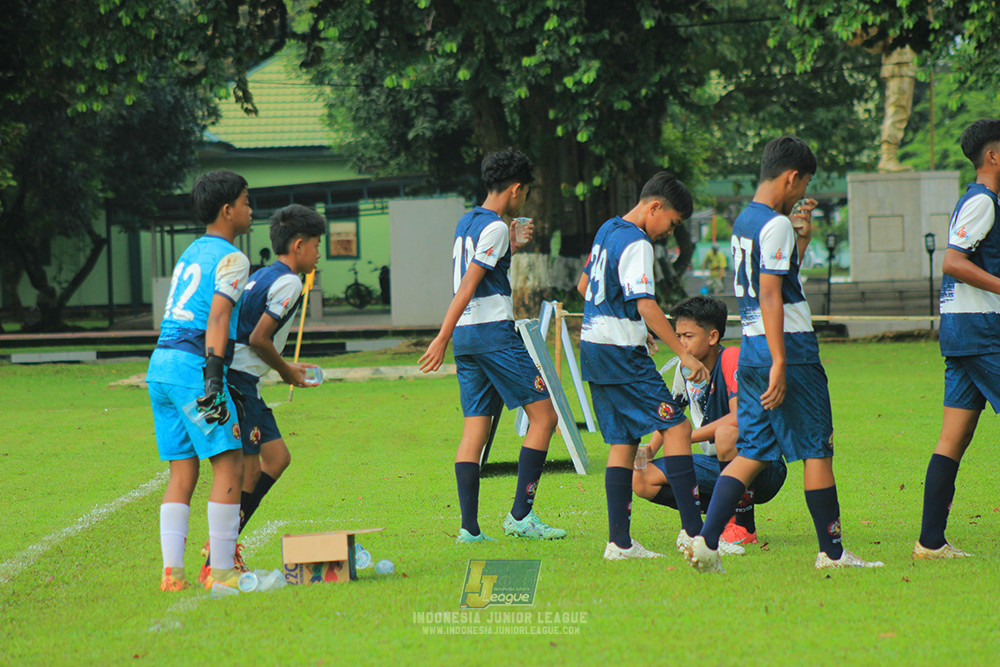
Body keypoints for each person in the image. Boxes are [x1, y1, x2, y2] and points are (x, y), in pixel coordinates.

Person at [685, 136, 883, 573]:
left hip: (753, 348)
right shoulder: (773, 224)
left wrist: (801, 235)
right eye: (804, 182)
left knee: (752, 449)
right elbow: (772, 295)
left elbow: (776, 281)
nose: (800, 192)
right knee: (817, 449)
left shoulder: (746, 221)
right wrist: (780, 361)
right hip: (786, 350)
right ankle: (831, 554)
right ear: (792, 177)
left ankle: (707, 542)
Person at [418, 148, 565, 543]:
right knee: (545, 418)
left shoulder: (467, 221)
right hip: (492, 334)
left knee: (474, 431)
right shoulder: (496, 226)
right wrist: (440, 335)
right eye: (526, 192)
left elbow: (479, 273)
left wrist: (510, 246)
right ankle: (520, 516)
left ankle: (469, 529)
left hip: (468, 339)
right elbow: (468, 284)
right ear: (516, 189)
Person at [576, 171, 709, 561]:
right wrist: (682, 354)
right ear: (655, 207)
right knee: (678, 427)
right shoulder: (637, 242)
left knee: (623, 441)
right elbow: (646, 303)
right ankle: (694, 534)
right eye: (672, 222)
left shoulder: (608, 230)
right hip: (620, 354)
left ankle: (619, 543)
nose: (669, 231)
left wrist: (633, 325)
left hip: (594, 349)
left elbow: (586, 288)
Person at [198, 204, 326, 582]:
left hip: (244, 381)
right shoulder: (288, 282)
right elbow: (258, 337)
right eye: (317, 245)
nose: (319, 254)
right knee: (249, 470)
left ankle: (224, 544)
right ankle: (220, 552)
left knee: (277, 457)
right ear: (299, 245)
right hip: (238, 379)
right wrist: (287, 371)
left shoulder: (262, 274)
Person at [147, 170, 253, 591]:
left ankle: (172, 574)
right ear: (228, 210)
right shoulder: (233, 258)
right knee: (230, 462)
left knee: (181, 471)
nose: (250, 209)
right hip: (194, 369)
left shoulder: (191, 251)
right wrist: (213, 377)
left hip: (161, 367)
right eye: (246, 202)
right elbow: (218, 317)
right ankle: (223, 571)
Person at [632, 296, 787, 547]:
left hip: (760, 465)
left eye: (688, 336)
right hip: (716, 464)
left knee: (727, 433)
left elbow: (740, 418)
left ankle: (743, 526)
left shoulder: (732, 359)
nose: (681, 343)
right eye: (678, 335)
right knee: (641, 479)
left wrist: (685, 437)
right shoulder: (684, 369)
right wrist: (650, 449)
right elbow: (673, 415)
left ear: (712, 337)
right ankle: (713, 521)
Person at [914, 119, 1000, 560]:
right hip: (981, 332)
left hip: (964, 333)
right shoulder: (983, 200)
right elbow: (952, 261)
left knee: (954, 438)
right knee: (953, 438)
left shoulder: (981, 200)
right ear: (993, 156)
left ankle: (930, 542)